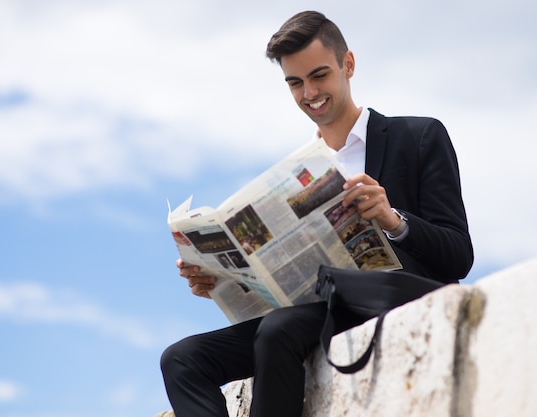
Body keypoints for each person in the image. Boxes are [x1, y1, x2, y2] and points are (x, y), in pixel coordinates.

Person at [160, 10, 473, 417]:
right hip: (314, 311)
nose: (309, 92)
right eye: (295, 82)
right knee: (181, 359)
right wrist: (219, 280)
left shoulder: (417, 137)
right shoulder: (298, 170)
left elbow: (459, 255)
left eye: (319, 75)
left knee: (278, 331)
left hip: (387, 300)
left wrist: (393, 220)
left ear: (349, 65)